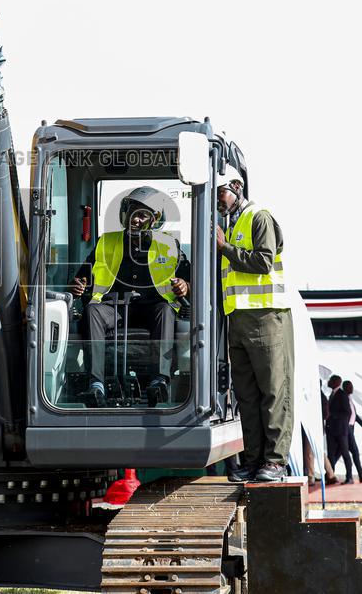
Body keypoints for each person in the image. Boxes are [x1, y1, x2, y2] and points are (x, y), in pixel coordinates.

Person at [70, 186, 190, 407]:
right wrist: (79, 286)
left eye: (142, 214)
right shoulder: (106, 242)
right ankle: (96, 384)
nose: (135, 219)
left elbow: (188, 279)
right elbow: (81, 279)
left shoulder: (169, 245)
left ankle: (159, 381)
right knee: (92, 310)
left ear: (154, 220)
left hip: (151, 309)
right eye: (132, 211)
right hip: (113, 309)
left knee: (165, 310)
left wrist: (185, 286)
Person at [216, 165, 294, 484]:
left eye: (220, 192)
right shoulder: (231, 226)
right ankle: (253, 460)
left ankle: (275, 461)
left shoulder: (259, 217)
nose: (218, 201)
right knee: (246, 396)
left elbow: (263, 262)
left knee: (272, 391)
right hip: (238, 320)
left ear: (236, 187)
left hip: (266, 318)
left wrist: (224, 248)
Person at [326, 375, 354, 484]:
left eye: (330, 380)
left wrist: (332, 415)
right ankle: (331, 476)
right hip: (332, 430)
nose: (328, 382)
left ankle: (349, 477)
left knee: (345, 453)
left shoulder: (342, 395)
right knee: (331, 454)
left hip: (341, 430)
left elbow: (347, 412)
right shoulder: (332, 394)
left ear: (336, 382)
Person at [343, 380, 362, 483]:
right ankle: (353, 476)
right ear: (345, 387)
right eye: (349, 386)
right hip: (346, 429)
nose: (352, 388)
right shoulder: (344, 399)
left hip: (350, 429)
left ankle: (359, 475)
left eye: (352, 386)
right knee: (350, 452)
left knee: (352, 452)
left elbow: (355, 416)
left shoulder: (350, 399)